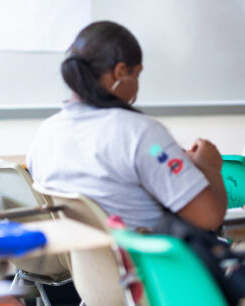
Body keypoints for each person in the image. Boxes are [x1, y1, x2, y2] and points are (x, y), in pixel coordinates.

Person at [26, 21, 227, 231]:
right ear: (120, 72)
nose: (137, 86)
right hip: (145, 261)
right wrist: (208, 166)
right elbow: (208, 218)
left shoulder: (45, 133)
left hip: (80, 261)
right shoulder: (141, 134)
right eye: (137, 75)